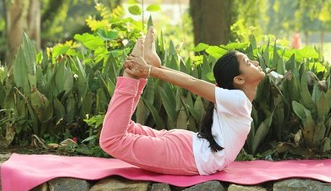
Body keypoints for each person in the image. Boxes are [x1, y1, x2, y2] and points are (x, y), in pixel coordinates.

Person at [99, 26, 266, 175]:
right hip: (190, 154)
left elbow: (192, 82)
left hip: (189, 147)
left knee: (122, 130)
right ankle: (132, 76)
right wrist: (152, 69)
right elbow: (191, 82)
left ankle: (134, 75)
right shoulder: (238, 101)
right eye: (248, 63)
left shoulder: (235, 101)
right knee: (113, 140)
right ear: (239, 80)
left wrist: (152, 69)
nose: (255, 62)